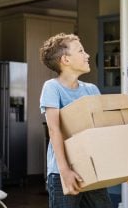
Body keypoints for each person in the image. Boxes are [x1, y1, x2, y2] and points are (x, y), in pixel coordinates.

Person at [39, 33, 112, 208]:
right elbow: (54, 130)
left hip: (92, 170)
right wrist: (65, 171)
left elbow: (102, 132)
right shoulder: (52, 88)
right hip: (61, 173)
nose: (87, 55)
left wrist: (122, 170)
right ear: (66, 60)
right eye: (81, 51)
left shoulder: (91, 90)